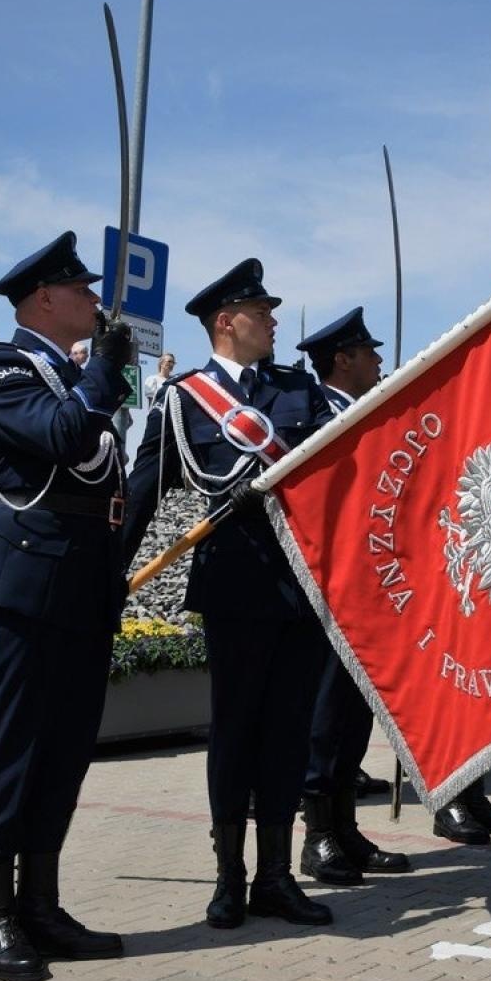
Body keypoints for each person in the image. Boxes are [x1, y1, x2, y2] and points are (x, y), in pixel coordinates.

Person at [122, 257, 337, 933]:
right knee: (235, 731)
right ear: (226, 321)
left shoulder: (297, 392)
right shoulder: (185, 400)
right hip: (235, 584)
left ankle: (276, 876)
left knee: (287, 732)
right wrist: (103, 577)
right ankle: (229, 877)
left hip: (301, 587)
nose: (273, 320)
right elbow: (141, 491)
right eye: (261, 311)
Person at [0, 231, 131, 981]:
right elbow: (61, 438)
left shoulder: (69, 372)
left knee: (65, 750)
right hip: (23, 583)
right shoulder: (5, 368)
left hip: (81, 586)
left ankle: (42, 903)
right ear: (44, 299)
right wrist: (103, 377)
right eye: (81, 290)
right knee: (15, 745)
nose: (93, 299)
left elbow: (106, 478)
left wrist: (103, 377)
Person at [289, 307, 413, 882]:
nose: (380, 362)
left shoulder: (370, 418)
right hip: (331, 587)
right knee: (326, 713)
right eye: (370, 353)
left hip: (373, 586)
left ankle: (345, 828)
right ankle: (317, 835)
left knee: (357, 712)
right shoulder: (313, 416)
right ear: (342, 361)